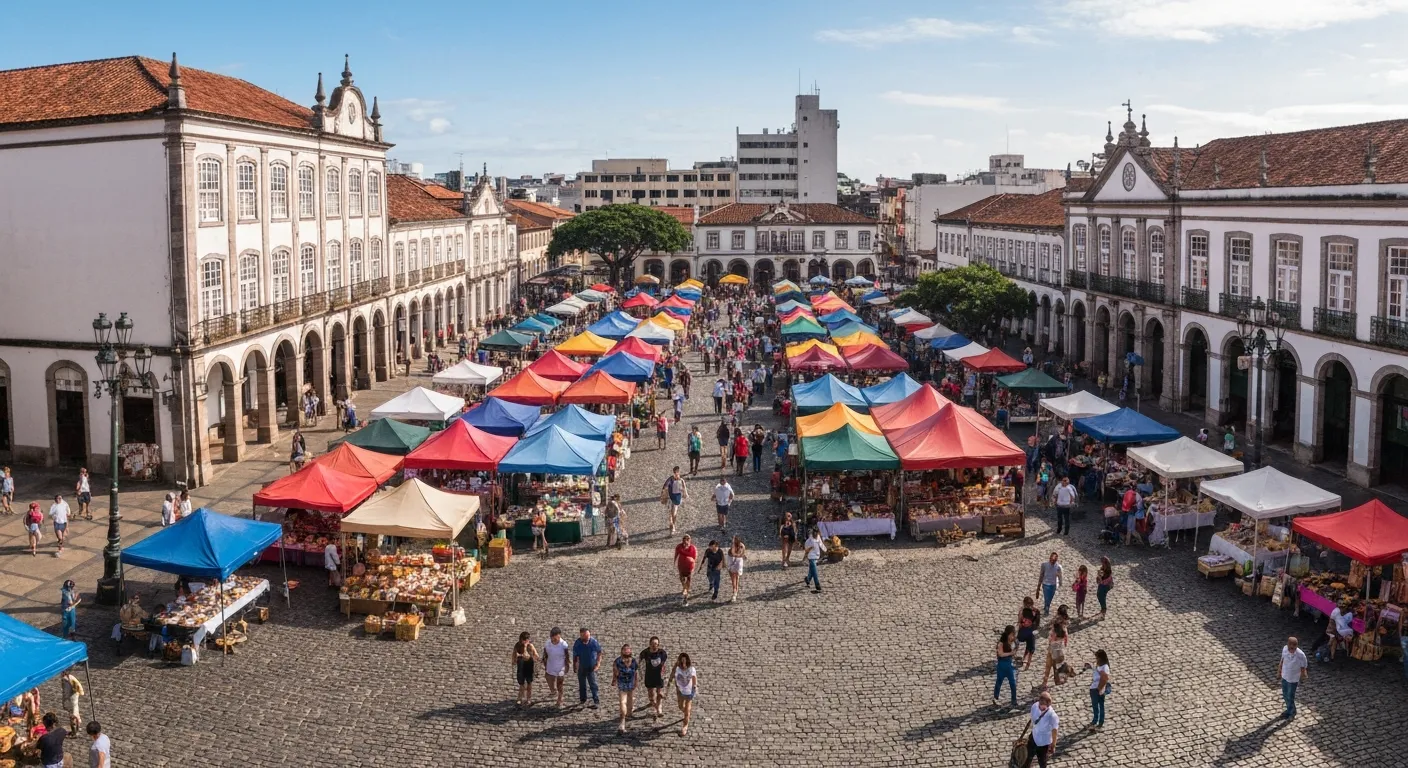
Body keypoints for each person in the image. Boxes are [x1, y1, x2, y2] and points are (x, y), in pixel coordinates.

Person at [1018, 691, 1059, 768]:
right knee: (1026, 760)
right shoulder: (1034, 706)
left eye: (1044, 705)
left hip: (1043, 743)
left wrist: (1053, 744)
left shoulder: (1052, 716)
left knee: (1042, 763)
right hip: (1033, 737)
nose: (1042, 707)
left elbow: (1054, 730)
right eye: (1041, 704)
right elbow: (1033, 720)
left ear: (1048, 704)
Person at [611, 644, 639, 735]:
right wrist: (636, 682)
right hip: (626, 683)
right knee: (626, 702)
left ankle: (625, 718)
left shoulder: (618, 661)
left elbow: (616, 673)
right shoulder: (632, 661)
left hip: (625, 683)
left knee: (625, 702)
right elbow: (635, 673)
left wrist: (614, 680)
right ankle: (623, 720)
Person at [572, 627, 602, 709]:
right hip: (582, 666)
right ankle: (583, 699)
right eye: (584, 636)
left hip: (591, 666)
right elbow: (575, 656)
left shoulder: (594, 642)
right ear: (581, 636)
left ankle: (596, 700)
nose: (587, 637)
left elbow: (599, 652)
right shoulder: (578, 643)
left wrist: (598, 664)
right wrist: (575, 666)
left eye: (588, 635)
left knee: (593, 683)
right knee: (582, 684)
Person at [1278, 635, 1308, 719]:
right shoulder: (1284, 649)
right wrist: (1279, 672)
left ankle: (1291, 711)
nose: (1291, 650)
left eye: (1293, 648)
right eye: (1290, 647)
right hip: (1285, 675)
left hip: (1293, 679)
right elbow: (1282, 660)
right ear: (1287, 645)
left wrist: (1303, 675)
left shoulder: (1300, 655)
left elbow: (1303, 666)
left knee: (1290, 695)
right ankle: (1289, 709)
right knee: (1285, 694)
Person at [640, 636, 669, 719]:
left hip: (659, 676)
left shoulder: (662, 653)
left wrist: (664, 675)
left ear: (658, 644)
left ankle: (659, 709)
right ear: (649, 644)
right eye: (652, 644)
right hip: (649, 675)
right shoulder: (645, 653)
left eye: (656, 644)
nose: (654, 645)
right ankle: (652, 702)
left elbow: (665, 664)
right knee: (651, 694)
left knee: (659, 692)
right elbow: (640, 663)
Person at [542, 627, 571, 708]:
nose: (554, 639)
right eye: (552, 637)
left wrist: (567, 665)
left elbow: (567, 655)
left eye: (555, 637)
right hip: (550, 664)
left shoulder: (563, 644)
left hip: (560, 666)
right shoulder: (548, 643)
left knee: (560, 683)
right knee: (548, 678)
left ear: (559, 636)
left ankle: (560, 698)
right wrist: (544, 662)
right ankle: (553, 690)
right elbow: (545, 654)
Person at [1084, 649, 1111, 729]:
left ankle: (1098, 721)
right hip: (1095, 688)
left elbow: (1104, 678)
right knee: (1097, 706)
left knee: (1098, 706)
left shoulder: (1104, 667)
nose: (1096, 659)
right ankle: (1096, 721)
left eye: (1097, 658)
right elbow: (1098, 671)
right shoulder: (1101, 666)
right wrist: (1091, 667)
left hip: (1097, 689)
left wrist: (1099, 688)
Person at [673, 652, 698, 736]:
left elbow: (694, 678)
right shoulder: (678, 669)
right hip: (681, 691)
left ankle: (685, 725)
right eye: (682, 661)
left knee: (687, 709)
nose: (684, 663)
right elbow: (676, 679)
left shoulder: (692, 669)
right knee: (680, 706)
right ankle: (686, 713)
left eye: (685, 660)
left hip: (689, 691)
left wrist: (694, 686)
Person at [511, 631, 539, 708]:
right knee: (521, 683)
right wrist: (513, 661)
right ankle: (520, 698)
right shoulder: (517, 645)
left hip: (529, 664)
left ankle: (528, 698)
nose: (527, 641)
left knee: (529, 682)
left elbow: (535, 654)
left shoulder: (530, 646)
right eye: (525, 640)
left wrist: (535, 657)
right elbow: (514, 654)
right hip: (521, 664)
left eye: (527, 639)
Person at [994, 625, 1019, 708]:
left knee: (1012, 682)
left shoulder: (1012, 642)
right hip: (1002, 665)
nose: (1013, 636)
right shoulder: (1001, 643)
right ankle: (996, 697)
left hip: (1009, 665)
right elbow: (1000, 654)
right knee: (999, 681)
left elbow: (1013, 651)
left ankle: (1014, 699)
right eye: (1012, 634)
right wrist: (1010, 653)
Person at [1017, 596, 1041, 670]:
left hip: (1026, 630)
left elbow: (1019, 621)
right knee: (1030, 647)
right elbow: (1037, 623)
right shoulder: (1035, 611)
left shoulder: (1024, 610)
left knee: (1029, 647)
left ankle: (1026, 661)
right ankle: (1026, 662)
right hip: (1029, 631)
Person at [662, 467, 688, 534]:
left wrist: (685, 493)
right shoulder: (670, 479)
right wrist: (664, 495)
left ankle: (673, 524)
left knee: (674, 513)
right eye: (675, 473)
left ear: (679, 472)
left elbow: (684, 487)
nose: (676, 474)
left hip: (677, 498)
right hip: (670, 498)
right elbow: (665, 486)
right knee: (671, 513)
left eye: (677, 473)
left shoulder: (681, 480)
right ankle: (672, 526)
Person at [674, 534, 698, 605]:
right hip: (681, 565)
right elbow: (676, 554)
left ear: (690, 540)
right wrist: (674, 562)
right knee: (681, 578)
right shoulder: (679, 546)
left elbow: (695, 557)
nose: (686, 540)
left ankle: (686, 592)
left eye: (688, 539)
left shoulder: (693, 548)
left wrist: (694, 564)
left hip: (689, 566)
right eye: (685, 539)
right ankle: (684, 587)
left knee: (689, 578)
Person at [61, 667, 84, 734]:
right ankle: (77, 727)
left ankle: (74, 731)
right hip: (74, 697)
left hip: (71, 698)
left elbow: (66, 691)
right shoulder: (71, 677)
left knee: (72, 715)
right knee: (75, 712)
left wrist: (65, 699)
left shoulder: (65, 679)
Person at [726, 536, 747, 603]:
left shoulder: (741, 546)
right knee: (734, 577)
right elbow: (734, 554)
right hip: (732, 559)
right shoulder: (735, 547)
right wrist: (741, 555)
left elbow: (740, 553)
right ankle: (735, 591)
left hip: (736, 560)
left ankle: (735, 592)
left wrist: (741, 555)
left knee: (735, 577)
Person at [803, 527, 824, 593]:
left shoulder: (818, 537)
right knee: (815, 572)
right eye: (814, 532)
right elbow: (806, 550)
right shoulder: (809, 541)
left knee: (812, 570)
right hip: (811, 557)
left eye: (816, 533)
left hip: (817, 556)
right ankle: (817, 586)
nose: (815, 534)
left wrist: (826, 550)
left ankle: (808, 579)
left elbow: (821, 545)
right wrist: (805, 557)